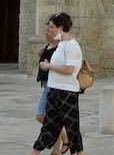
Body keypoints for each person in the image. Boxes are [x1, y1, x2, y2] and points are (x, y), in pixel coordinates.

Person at [30, 13, 84, 155]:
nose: (49, 30)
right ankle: (37, 152)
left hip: (67, 91)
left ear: (61, 27)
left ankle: (78, 152)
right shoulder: (61, 44)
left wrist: (49, 67)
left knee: (72, 128)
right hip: (54, 90)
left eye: (52, 27)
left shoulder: (71, 45)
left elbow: (69, 70)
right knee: (49, 126)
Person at [34, 19, 67, 155]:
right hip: (46, 85)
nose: (47, 32)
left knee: (44, 117)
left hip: (53, 87)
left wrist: (48, 65)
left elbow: (65, 68)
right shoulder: (48, 47)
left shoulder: (60, 48)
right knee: (42, 116)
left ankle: (57, 148)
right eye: (46, 29)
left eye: (50, 29)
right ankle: (62, 142)